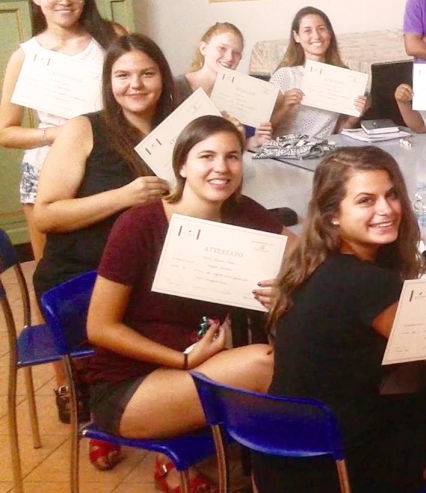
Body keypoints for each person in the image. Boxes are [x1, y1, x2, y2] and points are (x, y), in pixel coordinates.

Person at [257, 147, 426, 492]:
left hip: (285, 451)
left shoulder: (309, 264)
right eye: (366, 201)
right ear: (333, 216)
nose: (386, 210)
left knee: (421, 407)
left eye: (391, 196)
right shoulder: (368, 283)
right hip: (330, 467)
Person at [85, 115, 283, 490]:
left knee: (296, 348)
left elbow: (301, 256)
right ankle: (300, 472)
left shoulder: (241, 212)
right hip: (131, 386)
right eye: (206, 156)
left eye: (232, 156)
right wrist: (184, 360)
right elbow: (99, 327)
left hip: (200, 361)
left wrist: (286, 286)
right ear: (181, 165)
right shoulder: (140, 224)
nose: (221, 168)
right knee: (266, 362)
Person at [32, 34, 176, 468]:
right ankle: (108, 413)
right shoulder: (84, 128)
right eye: (123, 75)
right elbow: (46, 215)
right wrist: (124, 196)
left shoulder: (180, 126)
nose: (136, 84)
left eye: (147, 73)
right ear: (108, 81)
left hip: (153, 270)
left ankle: (170, 421)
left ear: (163, 78)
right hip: (84, 276)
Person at [0, 0, 121, 260]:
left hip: (108, 159)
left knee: (118, 260)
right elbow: (5, 132)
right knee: (52, 269)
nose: (64, 1)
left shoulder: (111, 38)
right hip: (48, 167)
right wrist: (60, 134)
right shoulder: (25, 57)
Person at [269, 7, 366, 138]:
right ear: (296, 36)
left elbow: (337, 132)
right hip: (284, 152)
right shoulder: (285, 75)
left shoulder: (344, 78)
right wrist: (285, 107)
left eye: (321, 29)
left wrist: (353, 119)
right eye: (307, 30)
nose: (316, 36)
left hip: (322, 151)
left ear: (329, 34)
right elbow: (264, 129)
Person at [177, 22, 273, 150]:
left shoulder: (242, 95)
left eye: (236, 53)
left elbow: (232, 149)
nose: (229, 57)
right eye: (222, 48)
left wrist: (255, 140)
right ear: (203, 48)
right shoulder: (177, 87)